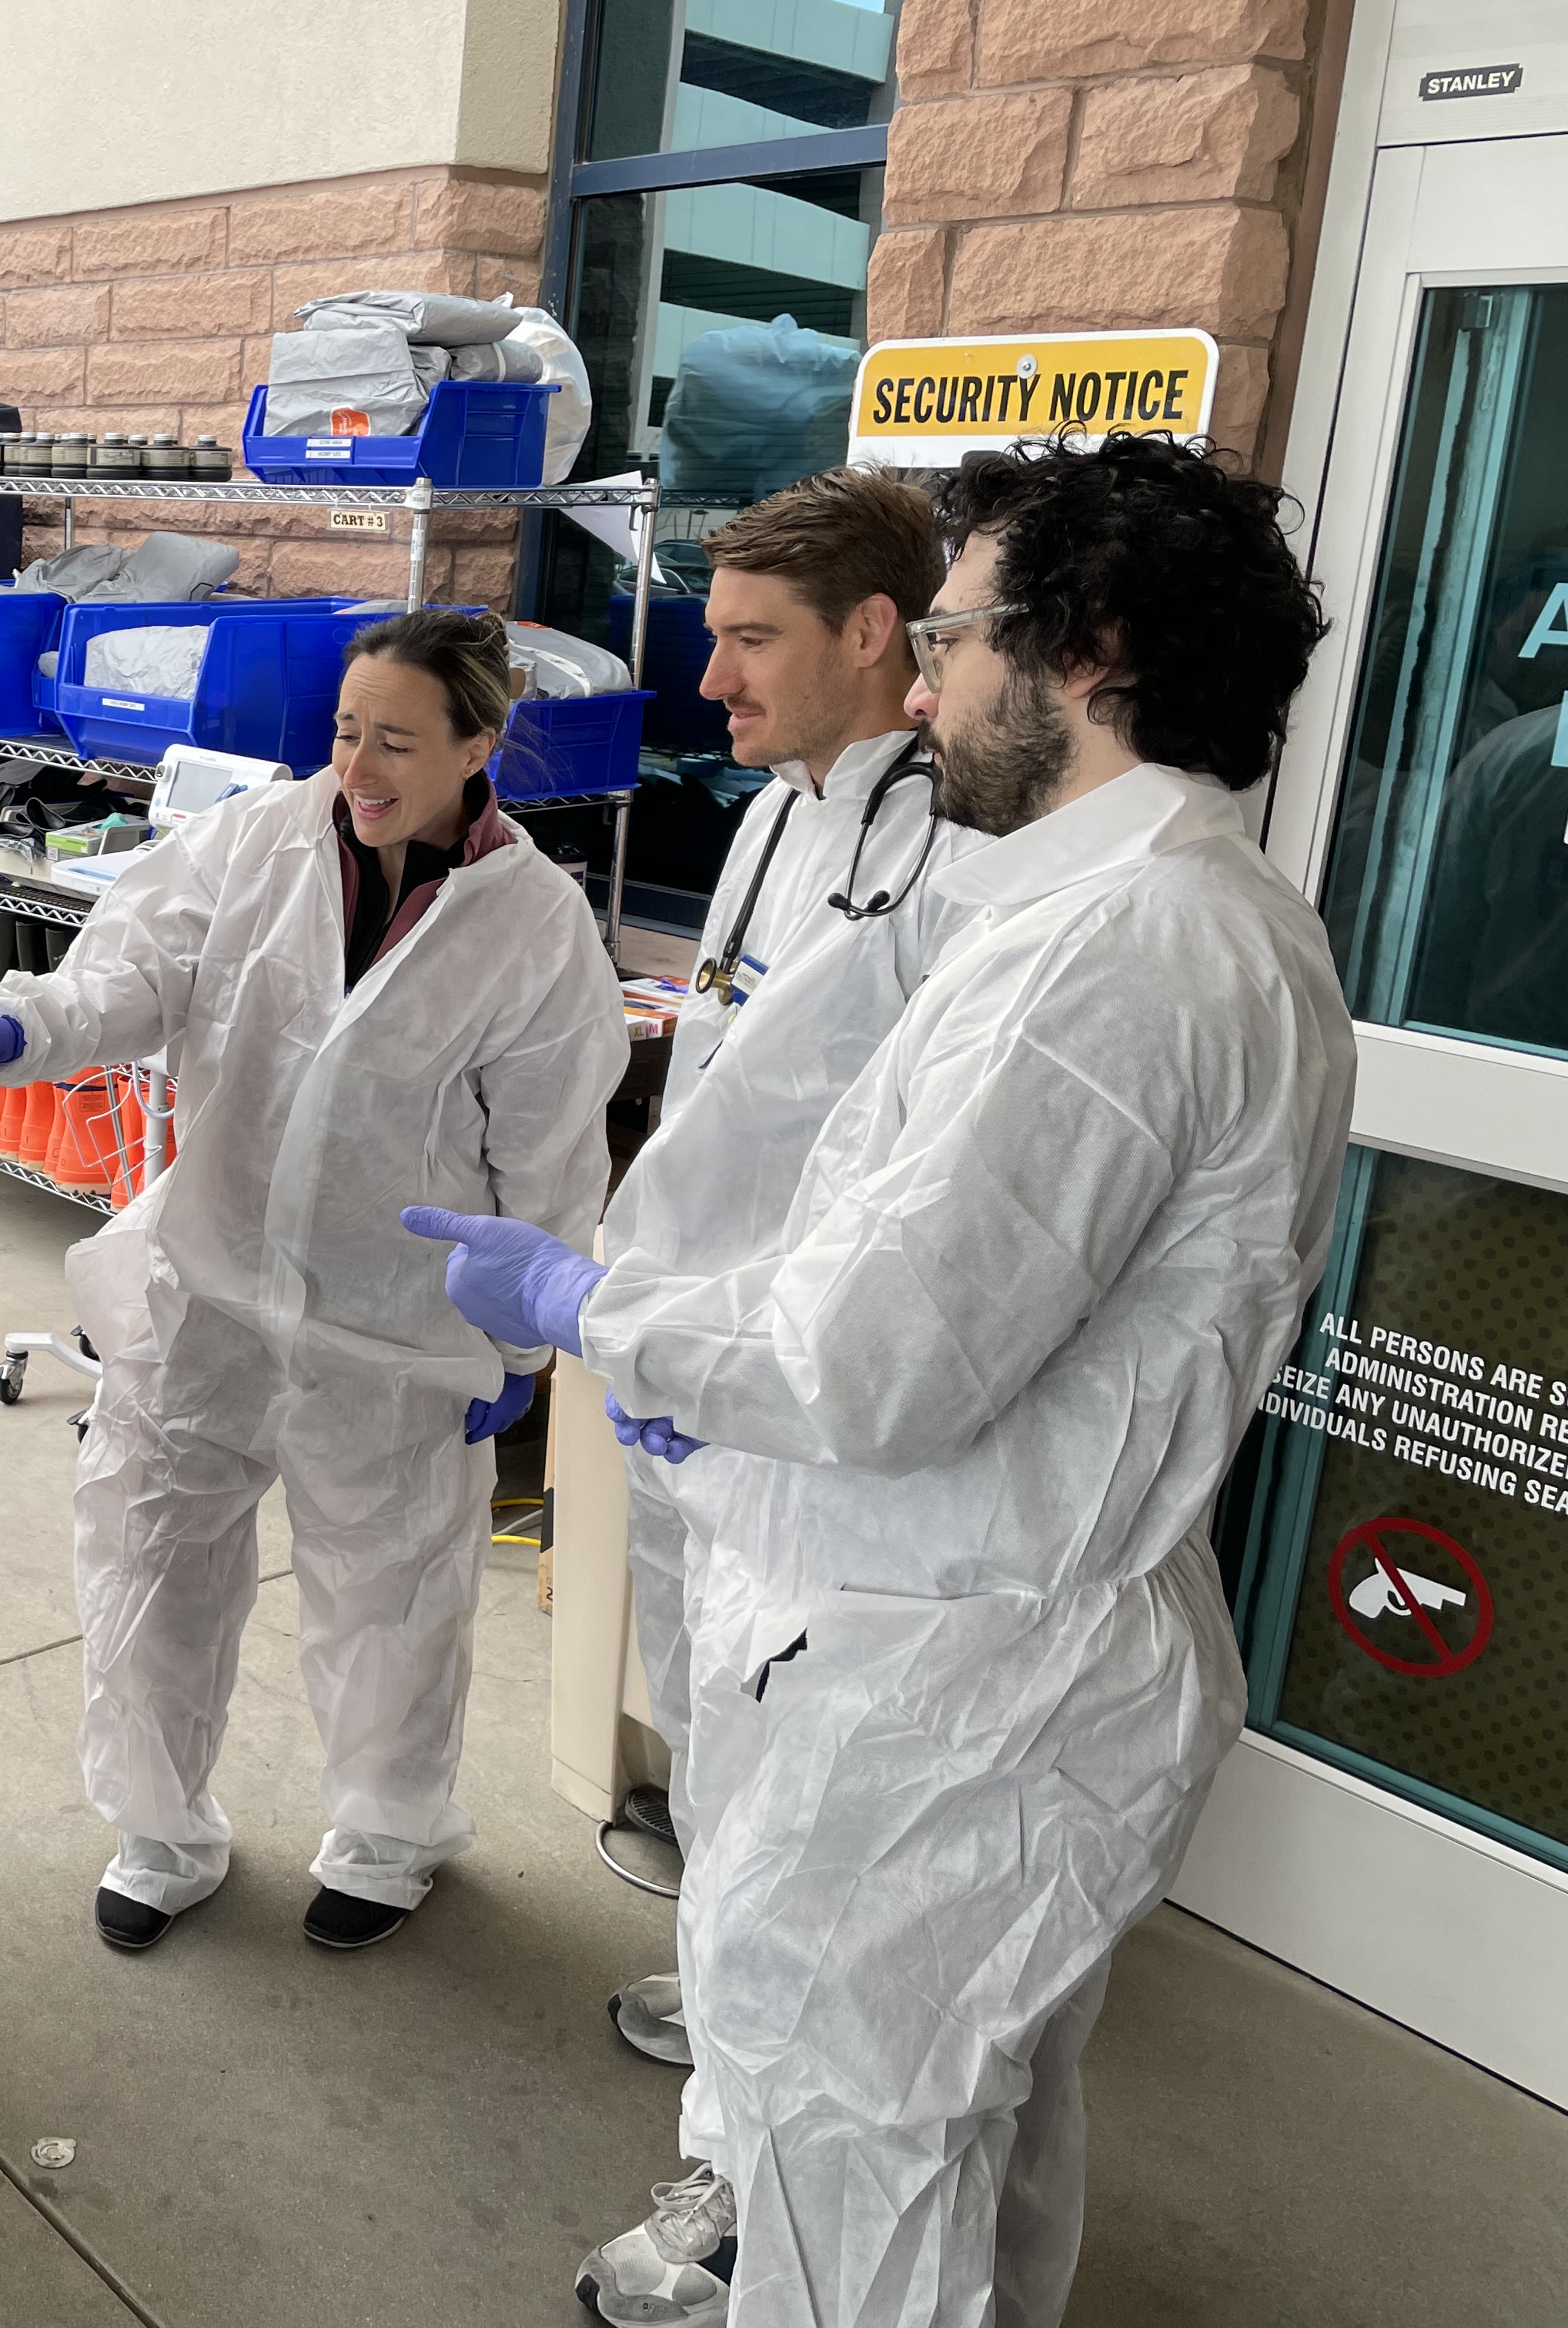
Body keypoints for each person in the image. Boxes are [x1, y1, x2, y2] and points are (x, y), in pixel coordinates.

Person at [408, 434, 1356, 2328]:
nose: (926, 685)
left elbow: (882, 1361)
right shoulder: (1137, 913)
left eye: (954, 634)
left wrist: (604, 1318)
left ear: (1082, 649)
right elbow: (920, 1266)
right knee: (948, 2118)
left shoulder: (1129, 949)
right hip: (966, 1628)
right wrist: (717, 1364)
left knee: (866, 2151)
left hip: (961, 1679)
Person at [0, 608, 627, 1954]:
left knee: (394, 1596)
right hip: (211, 1289)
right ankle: (160, 1829)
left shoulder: (533, 927)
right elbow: (129, 972)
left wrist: (522, 1354)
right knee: (151, 1560)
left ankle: (388, 1834)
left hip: (403, 1326)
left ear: (482, 747)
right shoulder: (254, 843)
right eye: (348, 731)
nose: (358, 766)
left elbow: (549, 1157)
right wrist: (28, 1025)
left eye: (399, 743)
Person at [593, 466, 984, 2075]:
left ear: (875, 631)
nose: (710, 679)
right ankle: (725, 1975)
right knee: (703, 1693)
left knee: (799, 1726)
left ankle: (781, 2044)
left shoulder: (956, 854)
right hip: (694, 1354)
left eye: (749, 639)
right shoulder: (767, 812)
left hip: (803, 1378)